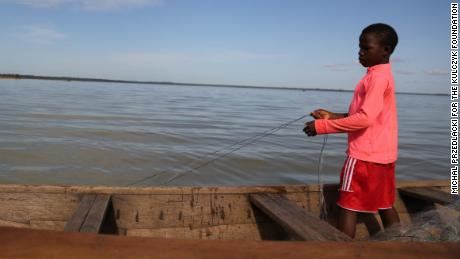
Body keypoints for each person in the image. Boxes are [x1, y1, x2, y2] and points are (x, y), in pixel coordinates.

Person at [303, 23, 400, 238]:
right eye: (360, 47)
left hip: (363, 158)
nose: (360, 52)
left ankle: (343, 252)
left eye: (366, 48)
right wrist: (331, 116)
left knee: (347, 206)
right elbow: (364, 115)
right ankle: (401, 246)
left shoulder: (375, 78)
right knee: (385, 205)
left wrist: (322, 127)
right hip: (384, 158)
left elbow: (364, 119)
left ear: (385, 50)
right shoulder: (382, 75)